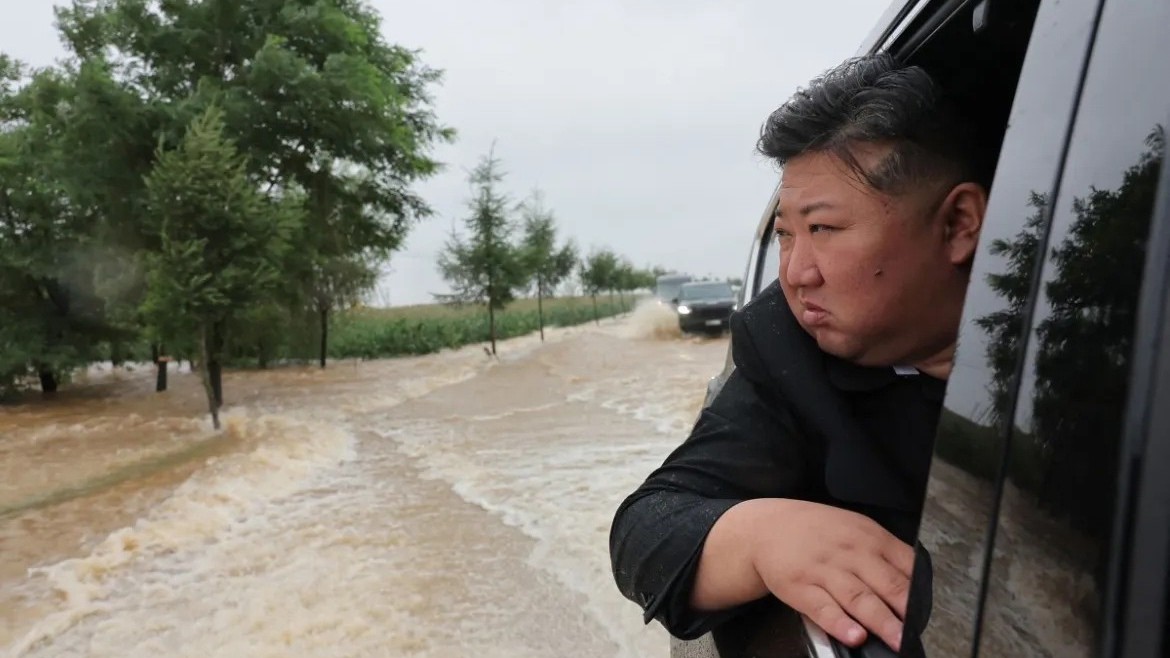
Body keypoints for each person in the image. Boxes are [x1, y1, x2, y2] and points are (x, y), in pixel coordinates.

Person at [609, 52, 992, 654]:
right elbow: (645, 530)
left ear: (959, 225)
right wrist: (760, 536)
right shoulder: (786, 348)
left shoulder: (1087, 349)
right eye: (786, 235)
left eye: (824, 230)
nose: (794, 273)